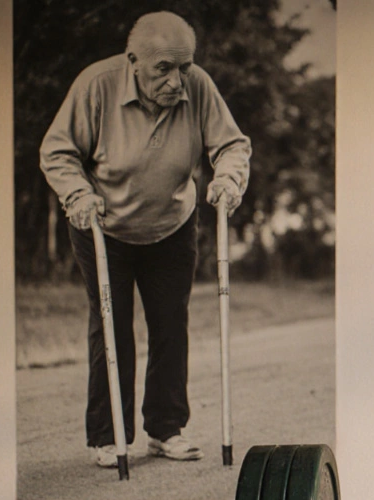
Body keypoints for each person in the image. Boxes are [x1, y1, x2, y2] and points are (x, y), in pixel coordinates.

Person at [40, 11, 250, 469]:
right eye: (163, 69)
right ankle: (109, 435)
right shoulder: (96, 86)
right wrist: (77, 194)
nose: (177, 80)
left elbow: (231, 145)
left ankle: (165, 430)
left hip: (172, 225)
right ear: (133, 60)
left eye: (184, 66)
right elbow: (57, 150)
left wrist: (228, 180)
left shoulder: (198, 87)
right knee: (112, 328)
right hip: (104, 227)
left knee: (170, 325)